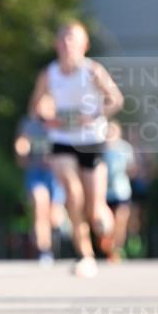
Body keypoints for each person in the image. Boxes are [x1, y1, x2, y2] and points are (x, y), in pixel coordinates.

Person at [27, 21, 123, 278]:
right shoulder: (49, 74)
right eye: (64, 39)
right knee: (72, 192)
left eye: (74, 39)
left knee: (95, 209)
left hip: (91, 140)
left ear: (84, 45)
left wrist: (93, 114)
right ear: (57, 44)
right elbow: (35, 107)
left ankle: (105, 232)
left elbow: (115, 99)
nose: (68, 44)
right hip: (62, 139)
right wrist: (46, 115)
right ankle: (85, 255)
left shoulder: (93, 71)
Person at [14, 113, 65, 264]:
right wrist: (21, 150)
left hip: (55, 174)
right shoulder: (29, 123)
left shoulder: (61, 119)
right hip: (35, 171)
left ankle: (54, 234)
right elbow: (21, 142)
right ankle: (44, 250)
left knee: (55, 218)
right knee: (39, 207)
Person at [104, 120, 135, 260]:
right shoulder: (99, 149)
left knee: (121, 220)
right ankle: (107, 244)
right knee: (106, 223)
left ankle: (118, 249)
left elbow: (132, 169)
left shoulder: (125, 148)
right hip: (104, 193)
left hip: (121, 191)